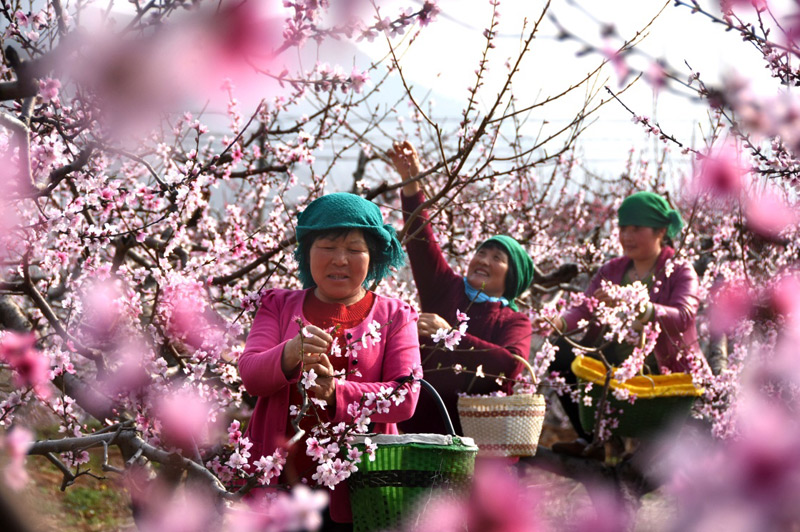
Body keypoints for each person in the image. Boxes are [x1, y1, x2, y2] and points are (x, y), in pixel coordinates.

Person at [238, 192, 421, 527]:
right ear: (307, 252)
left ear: (373, 257)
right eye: (327, 246)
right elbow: (250, 375)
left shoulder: (396, 315)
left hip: (361, 486)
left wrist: (334, 393)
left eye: (354, 249)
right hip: (280, 481)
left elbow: (406, 396)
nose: (340, 259)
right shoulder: (277, 305)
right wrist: (290, 352)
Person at [388, 140, 534, 436]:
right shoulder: (446, 287)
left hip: (477, 440)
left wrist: (451, 334)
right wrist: (412, 184)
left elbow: (510, 364)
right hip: (418, 428)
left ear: (512, 276)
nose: (483, 260)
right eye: (481, 252)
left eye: (497, 258)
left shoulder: (515, 320)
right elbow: (421, 243)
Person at [548, 191, 703, 445]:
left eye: (636, 229)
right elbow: (585, 308)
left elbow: (683, 316)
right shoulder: (612, 270)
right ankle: (592, 439)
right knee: (559, 353)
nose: (627, 237)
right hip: (611, 359)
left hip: (661, 368)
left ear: (660, 232)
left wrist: (639, 305)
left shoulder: (680, 270)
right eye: (623, 229)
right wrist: (559, 322)